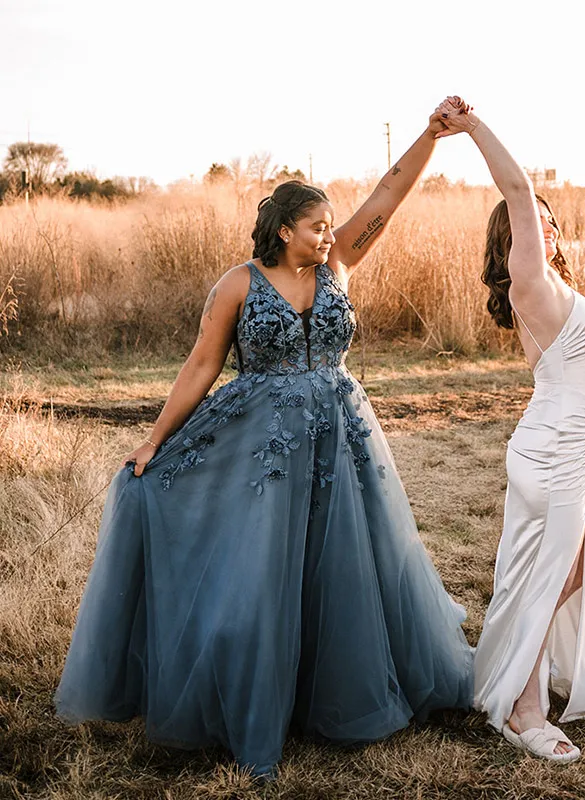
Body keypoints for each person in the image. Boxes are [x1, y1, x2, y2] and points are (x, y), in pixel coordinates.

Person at [55, 104, 473, 777]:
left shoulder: (339, 266)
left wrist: (430, 135)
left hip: (342, 440)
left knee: (350, 571)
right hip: (264, 448)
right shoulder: (237, 286)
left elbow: (387, 197)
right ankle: (253, 702)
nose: (329, 234)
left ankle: (338, 693)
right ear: (284, 232)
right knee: (264, 575)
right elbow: (200, 366)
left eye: (331, 225)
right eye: (316, 227)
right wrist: (154, 441)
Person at [436, 97, 585, 763]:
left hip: (567, 440)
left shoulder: (555, 293)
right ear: (511, 240)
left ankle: (516, 672)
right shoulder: (529, 279)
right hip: (553, 455)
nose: (538, 225)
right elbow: (516, 186)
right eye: (525, 222)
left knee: (559, 575)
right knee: (552, 577)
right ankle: (523, 709)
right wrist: (474, 127)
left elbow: (563, 374)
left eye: (544, 222)